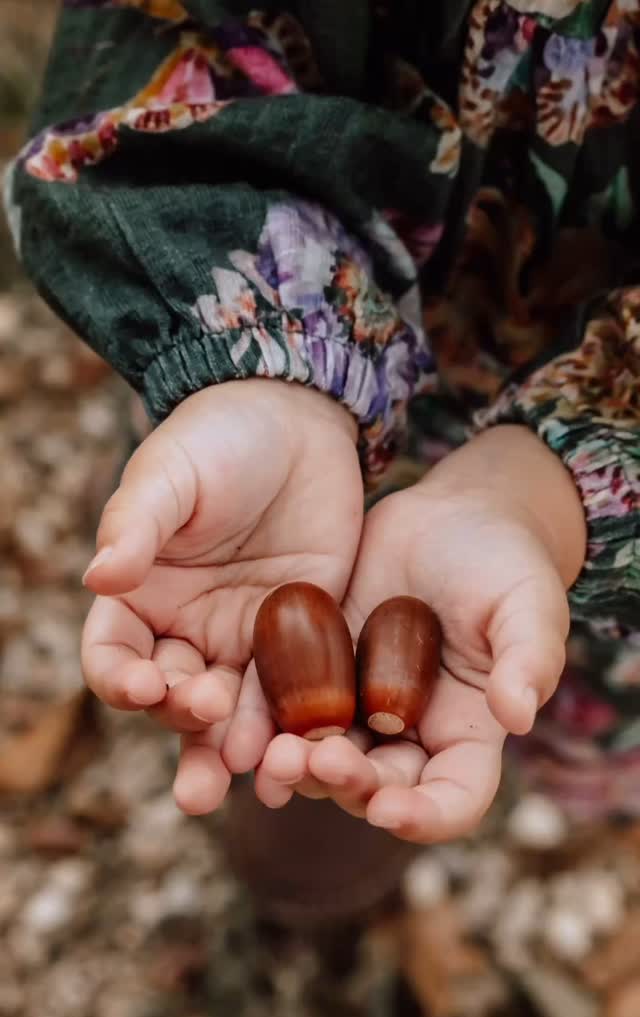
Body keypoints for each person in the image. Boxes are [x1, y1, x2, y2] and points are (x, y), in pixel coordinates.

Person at [6, 0, 639, 927]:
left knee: (488, 674)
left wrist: (543, 499)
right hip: (294, 405)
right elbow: (169, 39)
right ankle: (310, 873)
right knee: (280, 719)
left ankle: (340, 852)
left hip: (590, 522)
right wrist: (263, 365)